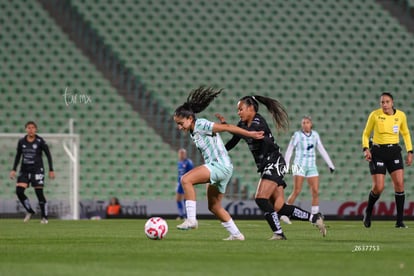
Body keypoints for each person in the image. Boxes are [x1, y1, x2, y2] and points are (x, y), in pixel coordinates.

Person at [216, 96, 326, 240]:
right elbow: (235, 140)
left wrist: (227, 127)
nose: (239, 112)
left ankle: (278, 233)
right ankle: (314, 218)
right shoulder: (243, 124)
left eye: (240, 109)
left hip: (273, 162)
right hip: (269, 165)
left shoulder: (258, 122)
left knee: (261, 198)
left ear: (251, 108)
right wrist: (220, 153)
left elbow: (246, 132)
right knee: (280, 207)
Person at [173, 86, 265, 241]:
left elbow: (227, 128)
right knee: (214, 206)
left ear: (190, 119)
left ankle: (191, 219)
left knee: (185, 180)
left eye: (181, 123)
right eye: (177, 124)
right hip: (223, 168)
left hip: (219, 166)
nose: (179, 127)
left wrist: (249, 134)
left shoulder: (201, 124)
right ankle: (237, 234)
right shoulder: (193, 131)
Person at [362, 92, 412, 228]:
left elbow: (406, 133)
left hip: (394, 152)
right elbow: (366, 133)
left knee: (400, 184)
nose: (384, 104)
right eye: (382, 102)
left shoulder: (400, 116)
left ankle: (400, 221)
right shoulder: (375, 115)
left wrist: (410, 151)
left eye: (387, 102)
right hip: (378, 152)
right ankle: (368, 211)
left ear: (392, 103)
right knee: (379, 187)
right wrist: (366, 149)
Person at [282, 115, 335, 224]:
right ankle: (284, 213)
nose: (305, 124)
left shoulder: (315, 135)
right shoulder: (297, 135)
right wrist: (286, 165)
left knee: (315, 191)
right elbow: (289, 150)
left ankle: (315, 217)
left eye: (307, 122)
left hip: (311, 166)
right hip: (298, 165)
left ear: (311, 124)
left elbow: (321, 149)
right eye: (303, 123)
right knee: (297, 190)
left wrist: (330, 164)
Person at [9, 121, 55, 224]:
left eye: (33, 128)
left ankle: (44, 217)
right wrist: (13, 169)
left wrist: (51, 170)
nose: (31, 130)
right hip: (24, 170)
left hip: (37, 170)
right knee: (19, 191)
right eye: (28, 128)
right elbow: (18, 156)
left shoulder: (40, 141)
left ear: (36, 129)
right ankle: (29, 211)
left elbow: (48, 155)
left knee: (39, 193)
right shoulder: (21, 141)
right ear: (26, 129)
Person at [175, 148, 194, 220]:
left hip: (186, 183)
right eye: (180, 153)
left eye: (182, 153)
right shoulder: (179, 163)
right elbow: (179, 174)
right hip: (180, 183)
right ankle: (181, 215)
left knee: (186, 199)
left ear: (185, 154)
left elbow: (192, 173)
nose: (181, 155)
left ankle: (187, 215)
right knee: (178, 199)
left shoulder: (188, 162)